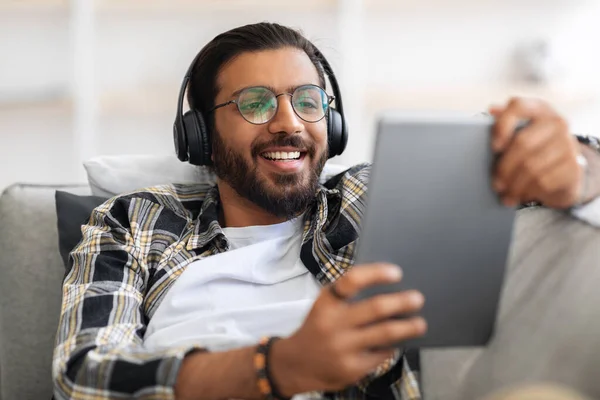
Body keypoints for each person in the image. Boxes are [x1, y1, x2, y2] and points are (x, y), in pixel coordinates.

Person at [52, 22, 600, 400]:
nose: (289, 123)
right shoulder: (135, 220)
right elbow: (83, 375)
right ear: (200, 137)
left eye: (308, 101)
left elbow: (536, 168)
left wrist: (573, 164)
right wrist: (279, 368)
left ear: (332, 126)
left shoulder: (376, 194)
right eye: (255, 103)